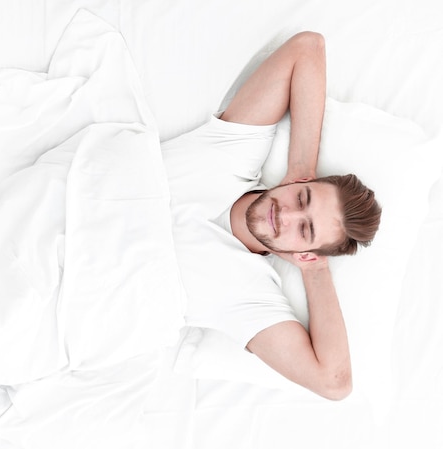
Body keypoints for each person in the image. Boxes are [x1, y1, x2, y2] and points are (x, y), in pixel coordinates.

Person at [162, 31, 381, 400]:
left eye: (305, 229)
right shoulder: (232, 153)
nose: (288, 214)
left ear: (305, 252)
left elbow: (335, 382)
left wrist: (314, 270)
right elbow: (308, 48)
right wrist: (300, 165)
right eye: (303, 197)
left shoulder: (247, 295)